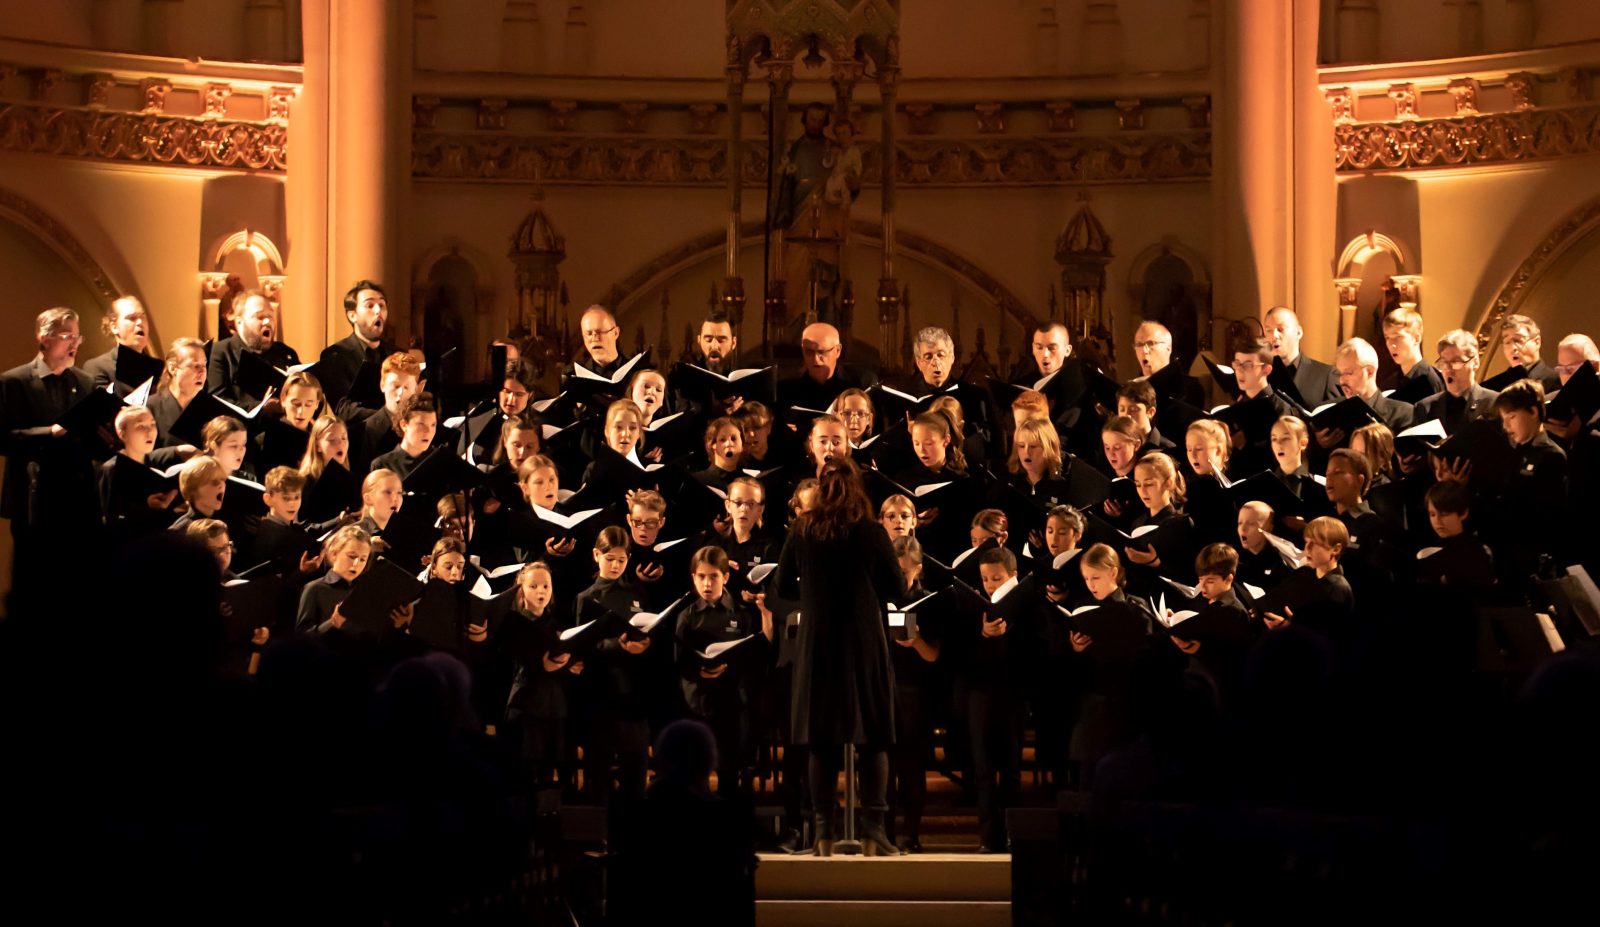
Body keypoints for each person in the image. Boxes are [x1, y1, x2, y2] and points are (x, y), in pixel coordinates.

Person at [775, 457, 904, 856]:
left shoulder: (803, 529)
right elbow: (896, 588)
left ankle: (823, 832)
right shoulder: (870, 531)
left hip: (818, 643)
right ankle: (873, 830)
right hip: (864, 641)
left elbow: (781, 584)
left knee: (820, 737)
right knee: (875, 734)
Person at [675, 545, 772, 798]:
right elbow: (678, 661)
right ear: (693, 577)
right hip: (698, 702)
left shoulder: (740, 614)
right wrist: (699, 672)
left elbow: (753, 656)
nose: (707, 583)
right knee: (697, 773)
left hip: (730, 702)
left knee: (730, 771)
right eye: (701, 576)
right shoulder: (687, 616)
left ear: (725, 577)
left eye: (713, 576)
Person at [886, 535, 939, 851]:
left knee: (911, 765)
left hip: (915, 692)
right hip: (884, 687)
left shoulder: (928, 600)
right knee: (884, 765)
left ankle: (911, 833)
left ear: (917, 569)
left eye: (905, 571)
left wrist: (916, 640)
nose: (899, 577)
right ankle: (885, 831)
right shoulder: (878, 598)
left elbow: (933, 655)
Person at [207, 290, 300, 408]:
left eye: (270, 316)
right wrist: (260, 407)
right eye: (260, 317)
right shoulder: (220, 352)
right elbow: (217, 402)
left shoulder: (285, 353)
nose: (267, 322)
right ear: (239, 322)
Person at [1318, 337, 1415, 448]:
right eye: (1339, 374)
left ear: (1369, 371)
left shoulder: (1402, 414)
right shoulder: (1332, 413)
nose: (1341, 381)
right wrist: (1320, 445)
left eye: (1348, 373)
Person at [318, 280, 393, 407]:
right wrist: (390, 415)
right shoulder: (336, 355)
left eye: (382, 305)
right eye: (370, 305)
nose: (378, 311)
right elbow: (343, 410)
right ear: (353, 316)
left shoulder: (397, 354)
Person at [775, 322, 878, 414]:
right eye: (809, 352)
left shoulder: (862, 382)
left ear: (838, 350)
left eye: (822, 352)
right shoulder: (786, 388)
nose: (816, 359)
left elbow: (875, 428)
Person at [1412, 329, 1500, 435]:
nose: (1449, 369)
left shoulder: (1495, 403)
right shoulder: (1424, 407)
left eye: (1456, 362)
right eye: (1444, 362)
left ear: (1475, 363)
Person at [1263, 306, 1340, 406]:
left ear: (1298, 332)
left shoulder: (1326, 374)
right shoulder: (1262, 376)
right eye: (1269, 330)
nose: (1274, 336)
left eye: (1280, 329)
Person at [80, 296, 155, 397]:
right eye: (132, 318)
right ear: (114, 327)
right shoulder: (97, 368)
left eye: (142, 316)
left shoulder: (159, 370)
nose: (140, 322)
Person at [1482, 314, 1562, 392]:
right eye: (1507, 342)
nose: (1513, 348)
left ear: (1537, 342)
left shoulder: (1557, 381)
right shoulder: (1490, 387)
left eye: (1518, 340)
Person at [371, 392, 439, 479]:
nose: (428, 431)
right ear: (404, 425)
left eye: (433, 425)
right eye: (421, 424)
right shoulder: (383, 465)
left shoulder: (441, 461)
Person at [1380, 307, 1444, 400]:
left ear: (1416, 338)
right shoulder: (1391, 382)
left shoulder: (1429, 381)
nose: (1391, 344)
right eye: (1387, 338)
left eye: (1398, 336)